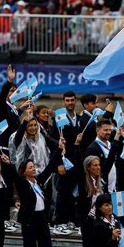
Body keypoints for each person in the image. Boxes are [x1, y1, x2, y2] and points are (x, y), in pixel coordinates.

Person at [52, 91, 81, 235]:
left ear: (75, 101)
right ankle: (59, 222)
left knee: (72, 193)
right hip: (63, 160)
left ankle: (70, 220)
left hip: (76, 161)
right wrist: (58, 163)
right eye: (67, 100)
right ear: (64, 102)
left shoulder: (79, 118)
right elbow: (54, 142)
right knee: (62, 192)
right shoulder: (59, 118)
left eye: (72, 100)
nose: (70, 102)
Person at [83, 119, 121, 193]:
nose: (108, 132)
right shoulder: (92, 148)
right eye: (105, 130)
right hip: (101, 189)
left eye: (110, 130)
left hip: (113, 188)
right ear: (97, 130)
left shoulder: (110, 145)